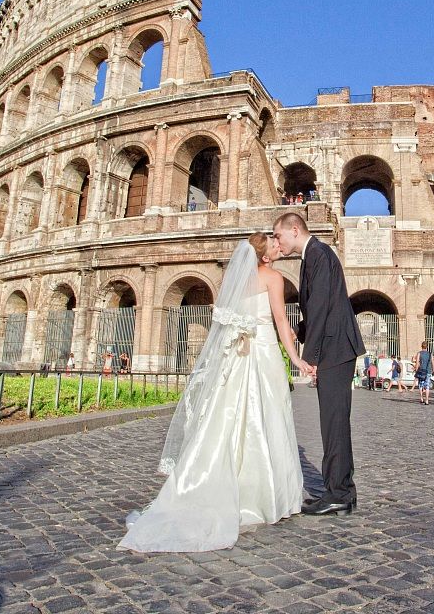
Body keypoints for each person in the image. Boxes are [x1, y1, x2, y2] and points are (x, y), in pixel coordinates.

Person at [120, 235, 314, 552]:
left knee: (229, 417)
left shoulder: (233, 281)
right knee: (266, 416)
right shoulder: (274, 277)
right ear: (264, 257)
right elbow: (280, 319)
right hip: (262, 354)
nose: (280, 247)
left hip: (236, 356)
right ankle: (261, 495)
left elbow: (227, 320)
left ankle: (216, 483)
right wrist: (296, 358)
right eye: (274, 245)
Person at [273, 211, 364, 516]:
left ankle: (338, 492)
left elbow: (321, 305)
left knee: (333, 422)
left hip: (335, 348)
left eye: (278, 235)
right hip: (335, 345)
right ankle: (340, 489)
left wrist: (308, 357)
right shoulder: (313, 255)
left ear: (294, 230)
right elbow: (315, 309)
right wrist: (295, 331)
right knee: (334, 421)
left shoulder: (318, 254)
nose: (277, 242)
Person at [415, 340, 433, 405]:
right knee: (427, 386)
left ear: (421, 346)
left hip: (421, 371)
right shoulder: (430, 354)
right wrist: (433, 370)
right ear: (427, 347)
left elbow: (417, 362)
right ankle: (427, 400)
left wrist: (416, 370)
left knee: (420, 385)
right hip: (428, 371)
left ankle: (421, 398)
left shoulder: (419, 353)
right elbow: (432, 362)